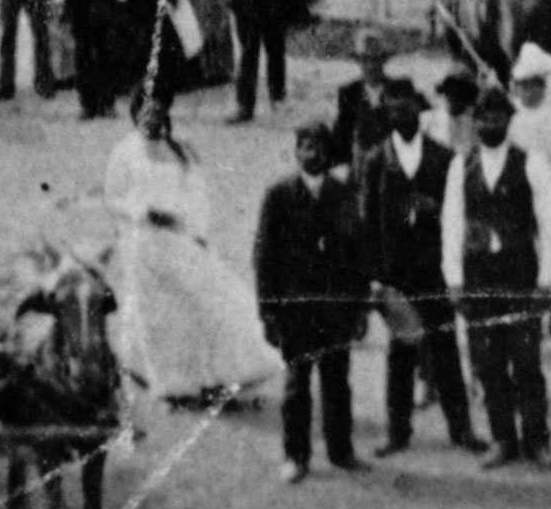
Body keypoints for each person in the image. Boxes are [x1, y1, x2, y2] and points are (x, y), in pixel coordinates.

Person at [106, 96, 283, 410]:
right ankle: (174, 385)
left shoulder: (181, 150)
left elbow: (197, 195)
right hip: (143, 243)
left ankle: (212, 378)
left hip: (180, 238)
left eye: (158, 112)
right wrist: (143, 211)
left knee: (211, 302)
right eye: (146, 113)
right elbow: (114, 198)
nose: (153, 119)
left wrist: (195, 230)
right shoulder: (125, 152)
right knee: (161, 316)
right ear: (135, 116)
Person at [441, 82, 551, 468]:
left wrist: (546, 282)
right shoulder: (462, 165)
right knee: (488, 362)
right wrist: (455, 280)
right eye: (483, 118)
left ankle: (537, 439)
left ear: (509, 121)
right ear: (474, 122)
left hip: (519, 275)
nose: (490, 124)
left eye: (498, 117)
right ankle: (502, 438)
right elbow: (452, 225)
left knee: (526, 362)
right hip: (478, 276)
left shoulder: (532, 163)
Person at [357, 77, 481, 455]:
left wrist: (436, 210)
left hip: (434, 268)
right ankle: (397, 432)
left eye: (407, 107)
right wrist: (374, 278)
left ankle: (461, 431)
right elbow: (367, 222)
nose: (401, 115)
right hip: (396, 273)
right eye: (393, 109)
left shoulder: (443, 157)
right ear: (387, 114)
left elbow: (458, 215)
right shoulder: (376, 160)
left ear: (419, 108)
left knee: (445, 348)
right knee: (400, 353)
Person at [254, 118, 372, 482]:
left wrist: (360, 307)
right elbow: (264, 256)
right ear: (296, 151)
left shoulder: (343, 194)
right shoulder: (279, 195)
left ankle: (341, 450)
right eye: (305, 146)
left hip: (336, 310)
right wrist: (268, 312)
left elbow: (357, 257)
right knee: (296, 386)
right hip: (296, 311)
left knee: (337, 382)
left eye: (319, 147)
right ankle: (296, 456)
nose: (312, 154)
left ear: (328, 152)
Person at [332, 31, 401, 171]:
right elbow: (342, 134)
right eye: (365, 60)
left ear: (383, 60)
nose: (371, 66)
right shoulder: (349, 92)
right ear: (359, 62)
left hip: (391, 166)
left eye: (375, 59)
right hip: (359, 165)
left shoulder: (398, 90)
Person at [506, 43, 551, 185]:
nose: (528, 91)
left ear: (542, 87)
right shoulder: (514, 119)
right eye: (523, 86)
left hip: (549, 179)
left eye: (533, 85)